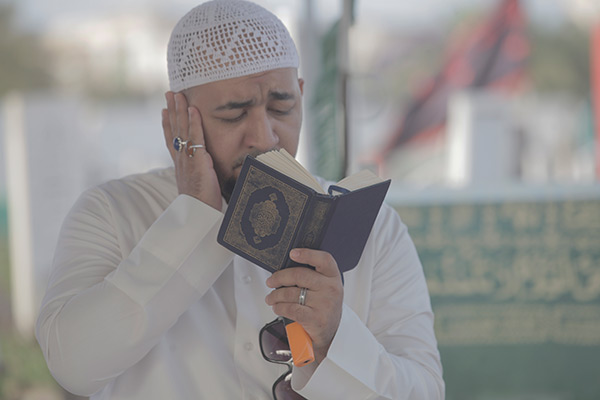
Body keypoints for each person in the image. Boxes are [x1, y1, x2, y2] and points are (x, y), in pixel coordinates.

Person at [35, 1, 444, 399]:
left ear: (301, 95)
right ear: (178, 117)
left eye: (281, 107)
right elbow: (74, 367)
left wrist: (335, 339)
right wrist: (193, 220)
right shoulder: (113, 212)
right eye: (233, 114)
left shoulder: (374, 227)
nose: (264, 137)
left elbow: (425, 390)